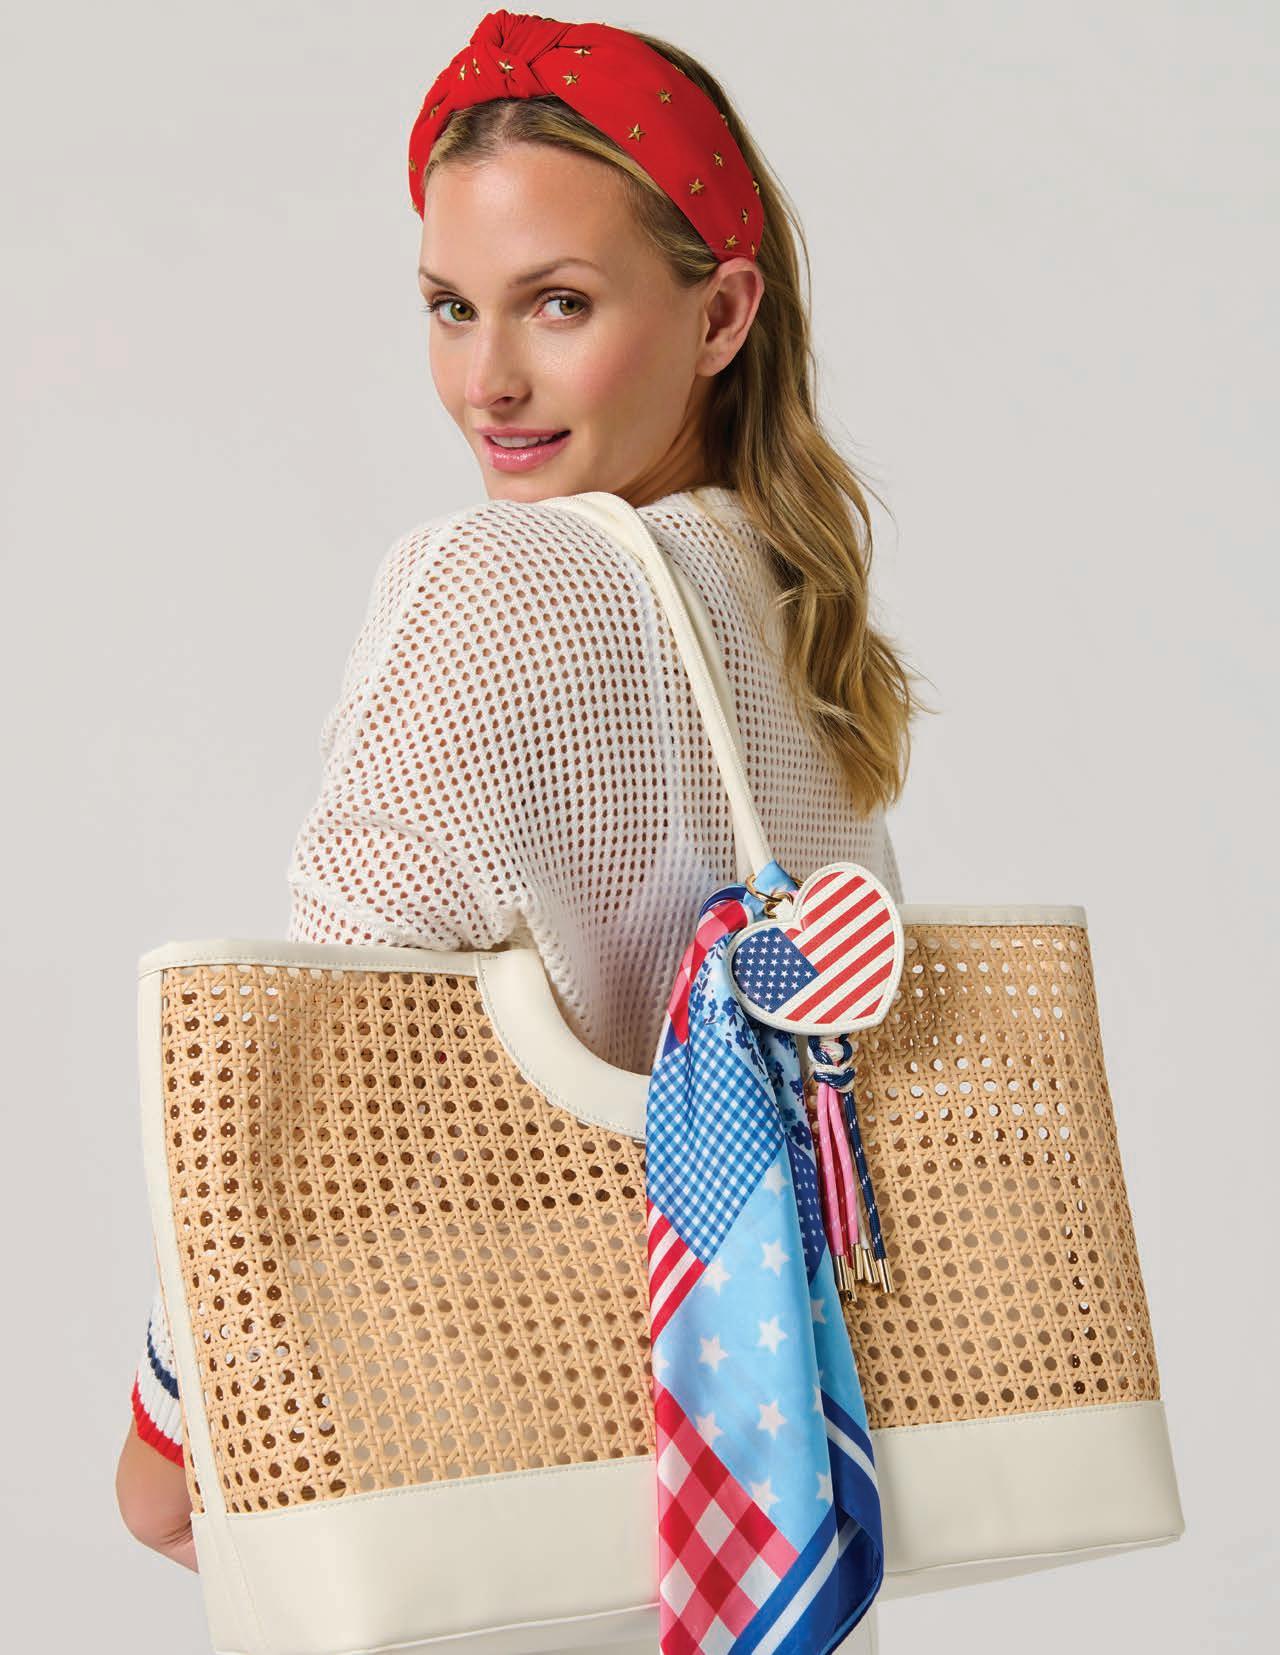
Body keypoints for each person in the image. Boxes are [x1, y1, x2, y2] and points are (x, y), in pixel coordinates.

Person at [116, 12, 931, 1651]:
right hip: (734, 1477)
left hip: (466, 1437)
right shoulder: (798, 620)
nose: (486, 379)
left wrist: (170, 1421)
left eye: (559, 304)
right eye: (450, 306)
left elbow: (330, 1055)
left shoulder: (495, 586)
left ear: (721, 314)